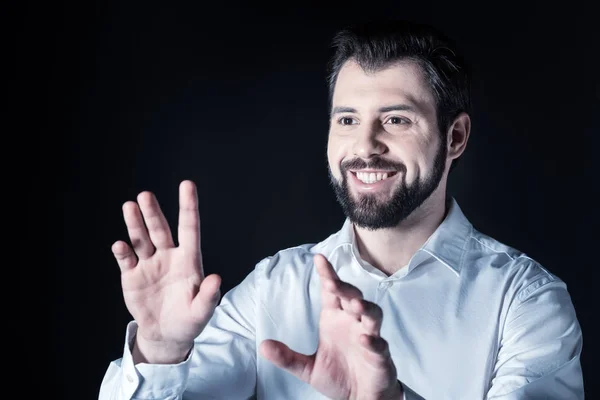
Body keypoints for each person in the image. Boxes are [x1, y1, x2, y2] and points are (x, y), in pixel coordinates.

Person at [99, 20, 584, 399]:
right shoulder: (272, 288)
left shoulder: (526, 302)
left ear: (455, 137)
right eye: (347, 119)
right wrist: (160, 354)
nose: (365, 146)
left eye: (396, 119)